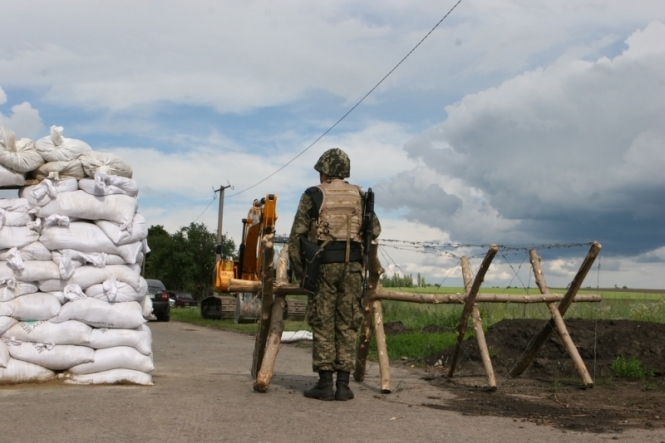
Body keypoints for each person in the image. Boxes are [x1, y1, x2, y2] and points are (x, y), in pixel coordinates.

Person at [287, 147, 381, 401]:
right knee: (347, 321)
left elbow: (297, 237)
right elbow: (375, 229)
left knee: (323, 320)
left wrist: (301, 273)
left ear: (326, 172)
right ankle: (343, 385)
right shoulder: (360, 195)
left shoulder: (313, 194)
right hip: (352, 267)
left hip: (324, 265)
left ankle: (325, 384)